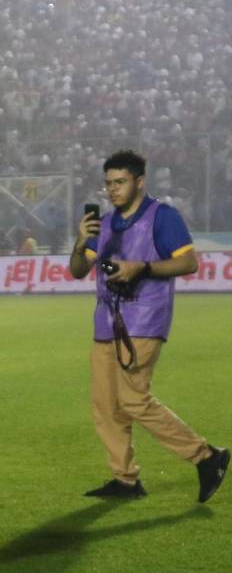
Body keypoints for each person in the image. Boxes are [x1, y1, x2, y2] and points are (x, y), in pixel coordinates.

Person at [68, 150, 228, 502]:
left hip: (144, 318)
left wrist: (142, 267)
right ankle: (125, 480)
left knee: (133, 399)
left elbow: (188, 262)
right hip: (105, 322)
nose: (113, 189)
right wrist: (80, 243)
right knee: (106, 406)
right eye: (109, 183)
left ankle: (206, 456)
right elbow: (78, 270)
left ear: (140, 181)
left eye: (120, 182)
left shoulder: (162, 216)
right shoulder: (104, 224)